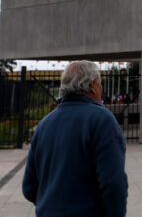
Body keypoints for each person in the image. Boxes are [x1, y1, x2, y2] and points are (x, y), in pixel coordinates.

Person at [22, 61, 128, 216]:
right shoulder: (102, 120)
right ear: (93, 85)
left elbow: (29, 187)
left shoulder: (44, 125)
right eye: (100, 84)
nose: (101, 88)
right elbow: (113, 183)